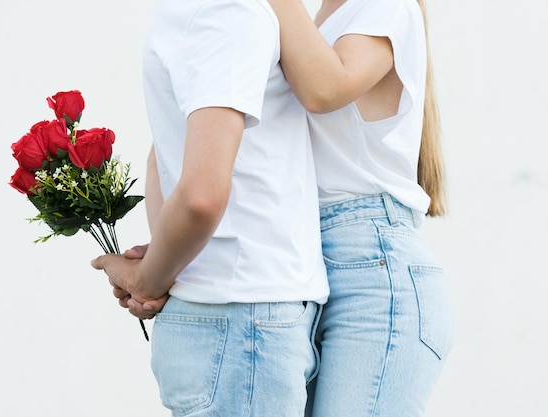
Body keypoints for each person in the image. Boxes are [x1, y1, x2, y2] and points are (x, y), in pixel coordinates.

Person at [128, 0, 454, 416]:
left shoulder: (386, 5)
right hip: (309, 268)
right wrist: (167, 260)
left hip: (373, 268)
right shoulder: (315, 17)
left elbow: (324, 89)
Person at [90, 0, 329, 416]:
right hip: (245, 320)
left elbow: (163, 163)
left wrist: (164, 265)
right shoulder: (230, 12)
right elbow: (201, 196)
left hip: (231, 320)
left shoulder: (188, 14)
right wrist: (149, 278)